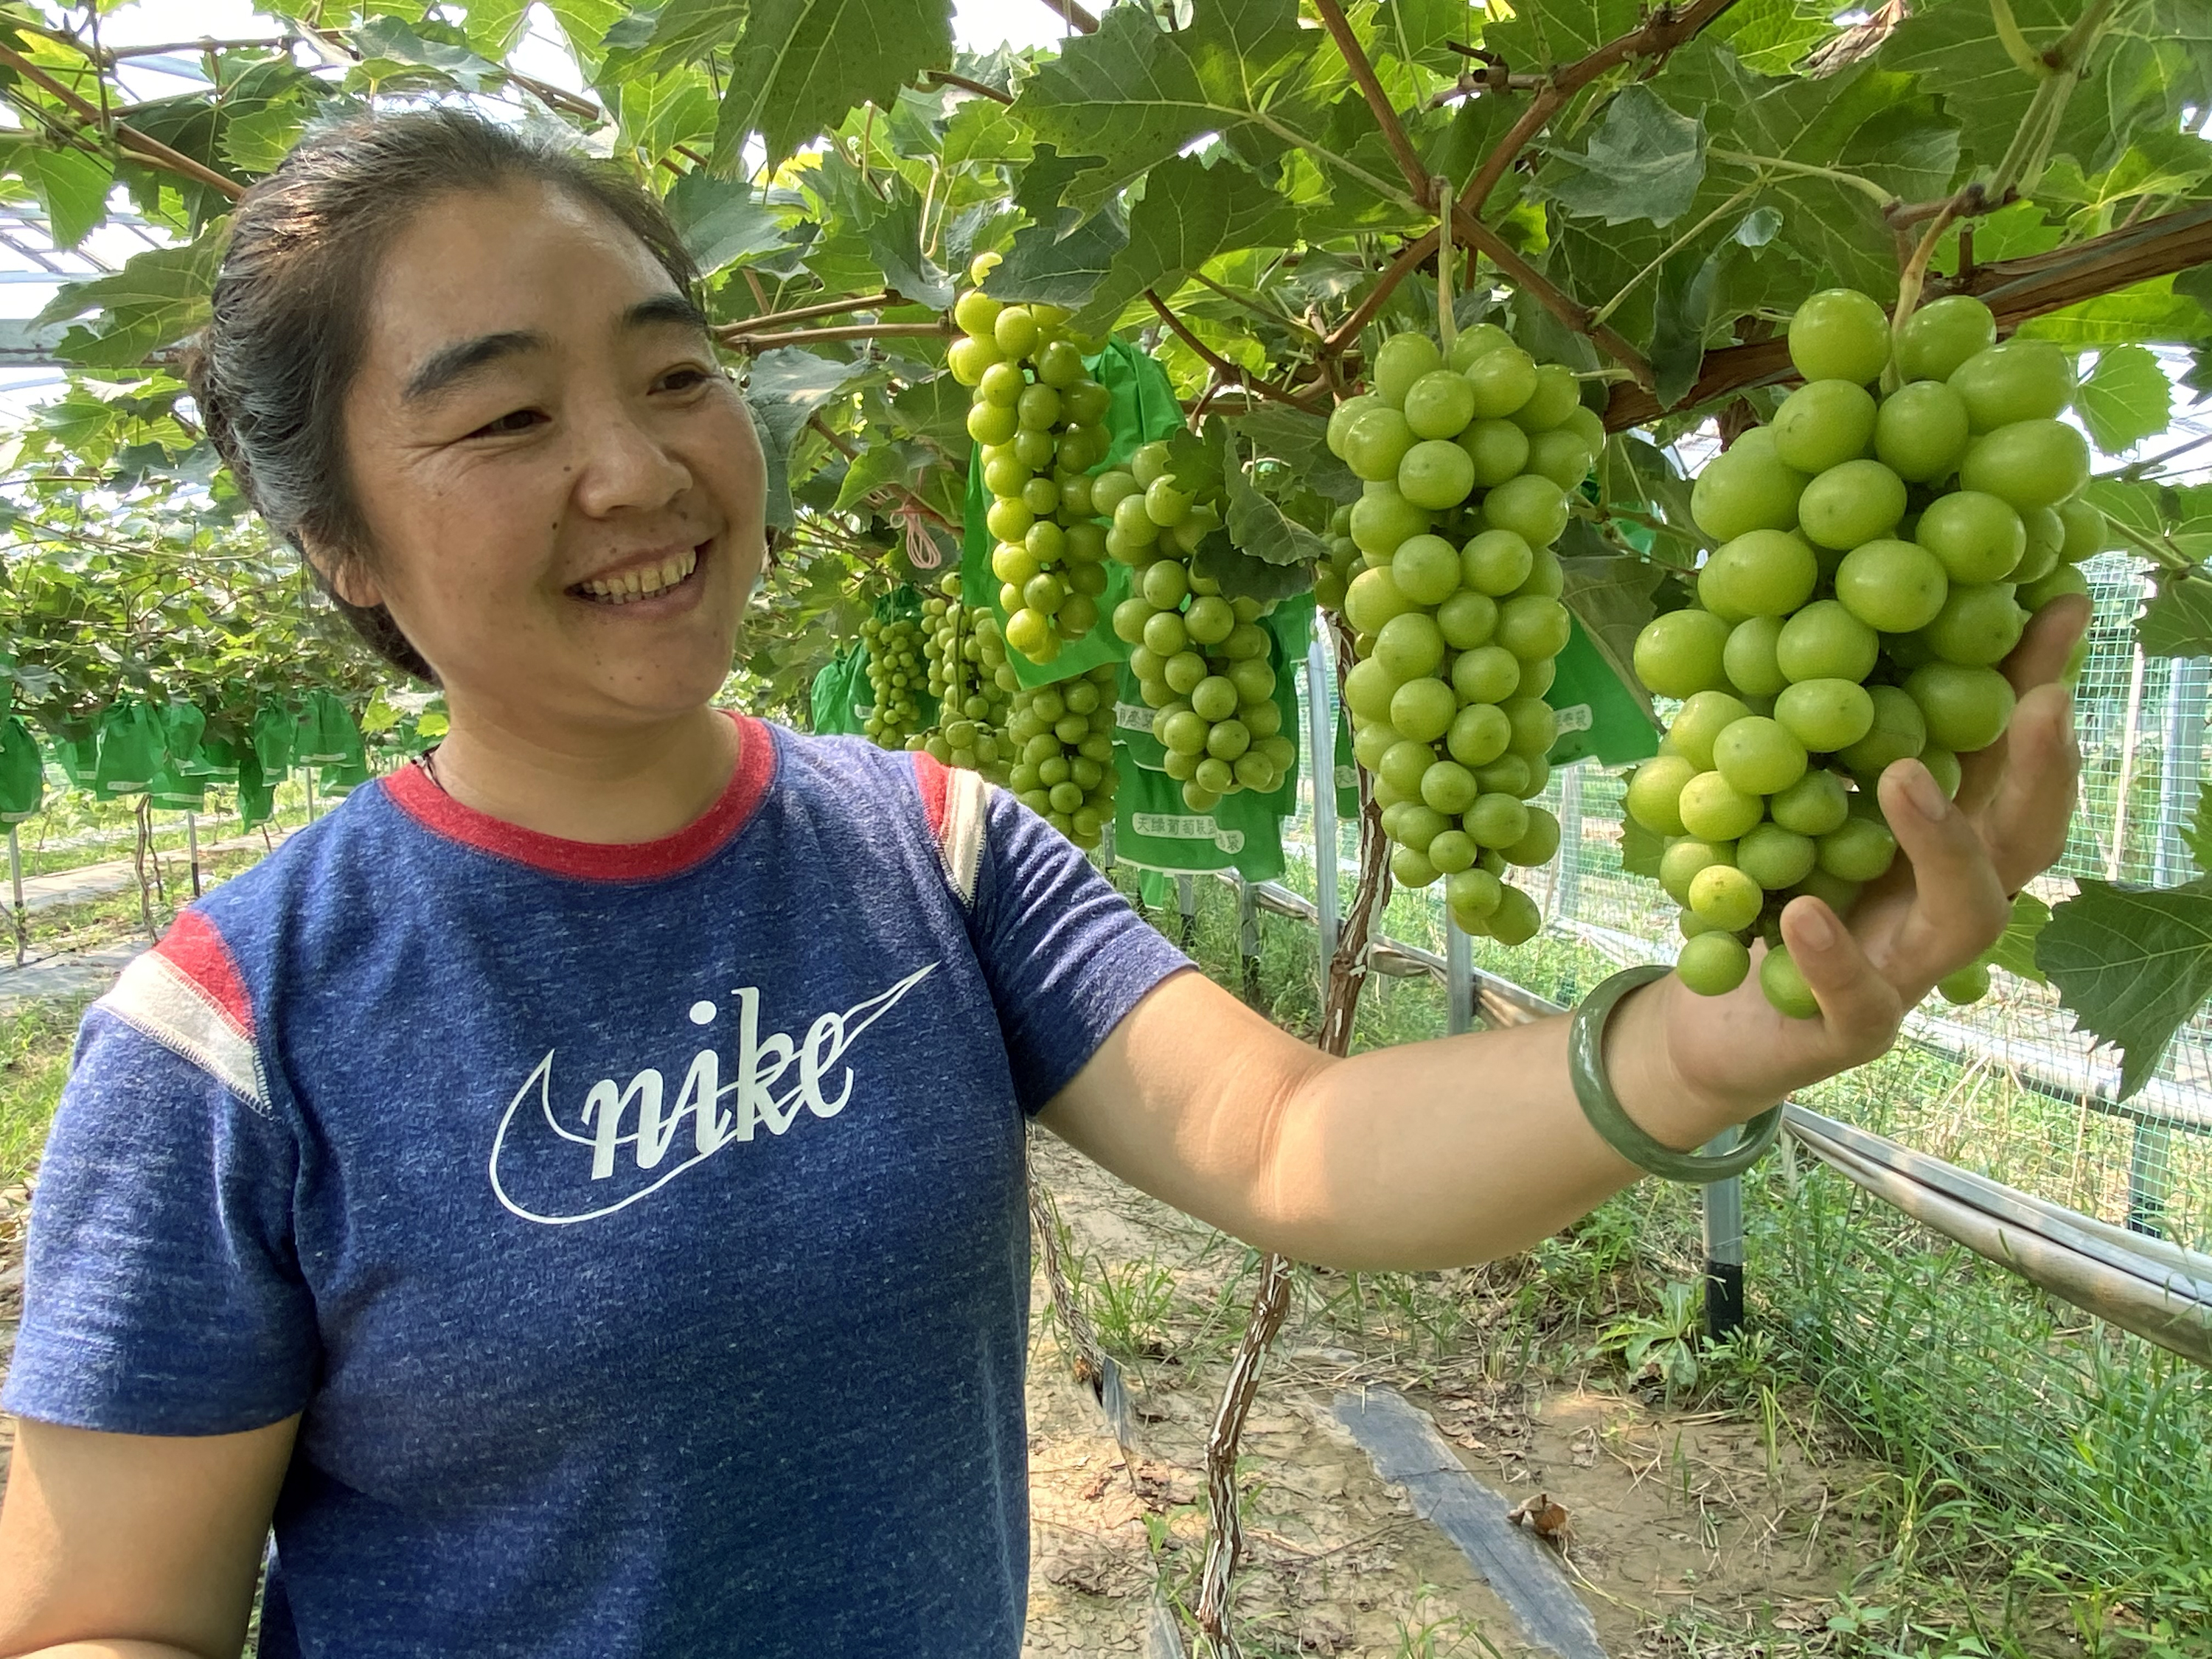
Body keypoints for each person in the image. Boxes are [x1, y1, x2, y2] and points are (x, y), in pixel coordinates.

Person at [0, 109, 2086, 1659]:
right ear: (340, 544)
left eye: (671, 371)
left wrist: (1716, 1041)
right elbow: (110, 1618)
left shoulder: (932, 841)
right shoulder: (230, 1025)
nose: (635, 469)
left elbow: (1294, 1138)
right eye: (508, 415)